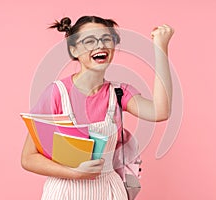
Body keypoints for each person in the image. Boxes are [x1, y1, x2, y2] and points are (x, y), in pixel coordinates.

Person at [21, 15, 174, 200]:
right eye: (90, 41)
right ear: (74, 49)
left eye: (106, 39)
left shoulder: (119, 93)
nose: (100, 45)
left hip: (109, 191)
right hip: (64, 191)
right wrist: (75, 173)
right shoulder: (56, 93)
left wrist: (160, 49)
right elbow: (28, 158)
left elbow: (160, 111)